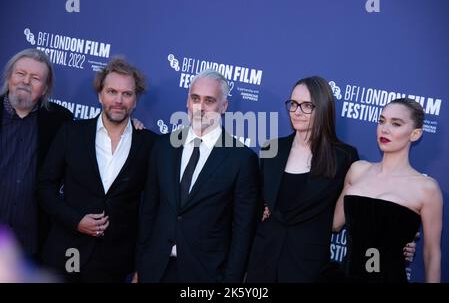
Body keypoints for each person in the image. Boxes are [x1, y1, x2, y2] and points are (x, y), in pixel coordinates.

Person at [37, 57, 157, 282]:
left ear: (135, 101)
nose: (119, 100)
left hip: (113, 262)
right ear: (100, 95)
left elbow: (151, 208)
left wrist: (141, 265)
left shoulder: (149, 145)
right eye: (112, 91)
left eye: (127, 94)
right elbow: (45, 187)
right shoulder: (71, 133)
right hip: (66, 251)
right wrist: (75, 220)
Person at [135, 69, 259, 283]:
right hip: (155, 271)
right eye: (195, 99)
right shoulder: (163, 146)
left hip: (205, 275)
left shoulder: (241, 159)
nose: (200, 107)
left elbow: (242, 231)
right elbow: (149, 211)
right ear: (187, 102)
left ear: (224, 107)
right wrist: (140, 266)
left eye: (209, 100)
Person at [246, 76, 359, 282]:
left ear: (323, 108)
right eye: (294, 104)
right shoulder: (273, 148)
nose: (297, 111)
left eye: (307, 105)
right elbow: (256, 200)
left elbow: (352, 216)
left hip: (307, 267)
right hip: (262, 263)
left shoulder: (344, 157)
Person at [332, 98, 443, 283]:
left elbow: (432, 255)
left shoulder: (427, 189)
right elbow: (334, 224)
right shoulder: (358, 170)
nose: (384, 129)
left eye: (396, 124)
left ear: (415, 134)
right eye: (381, 121)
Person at [0, 48, 73, 259]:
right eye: (20, 74)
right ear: (9, 77)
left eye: (35, 78)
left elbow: (92, 138)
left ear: (45, 88)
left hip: (31, 242)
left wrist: (128, 126)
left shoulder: (60, 120)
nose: (25, 81)